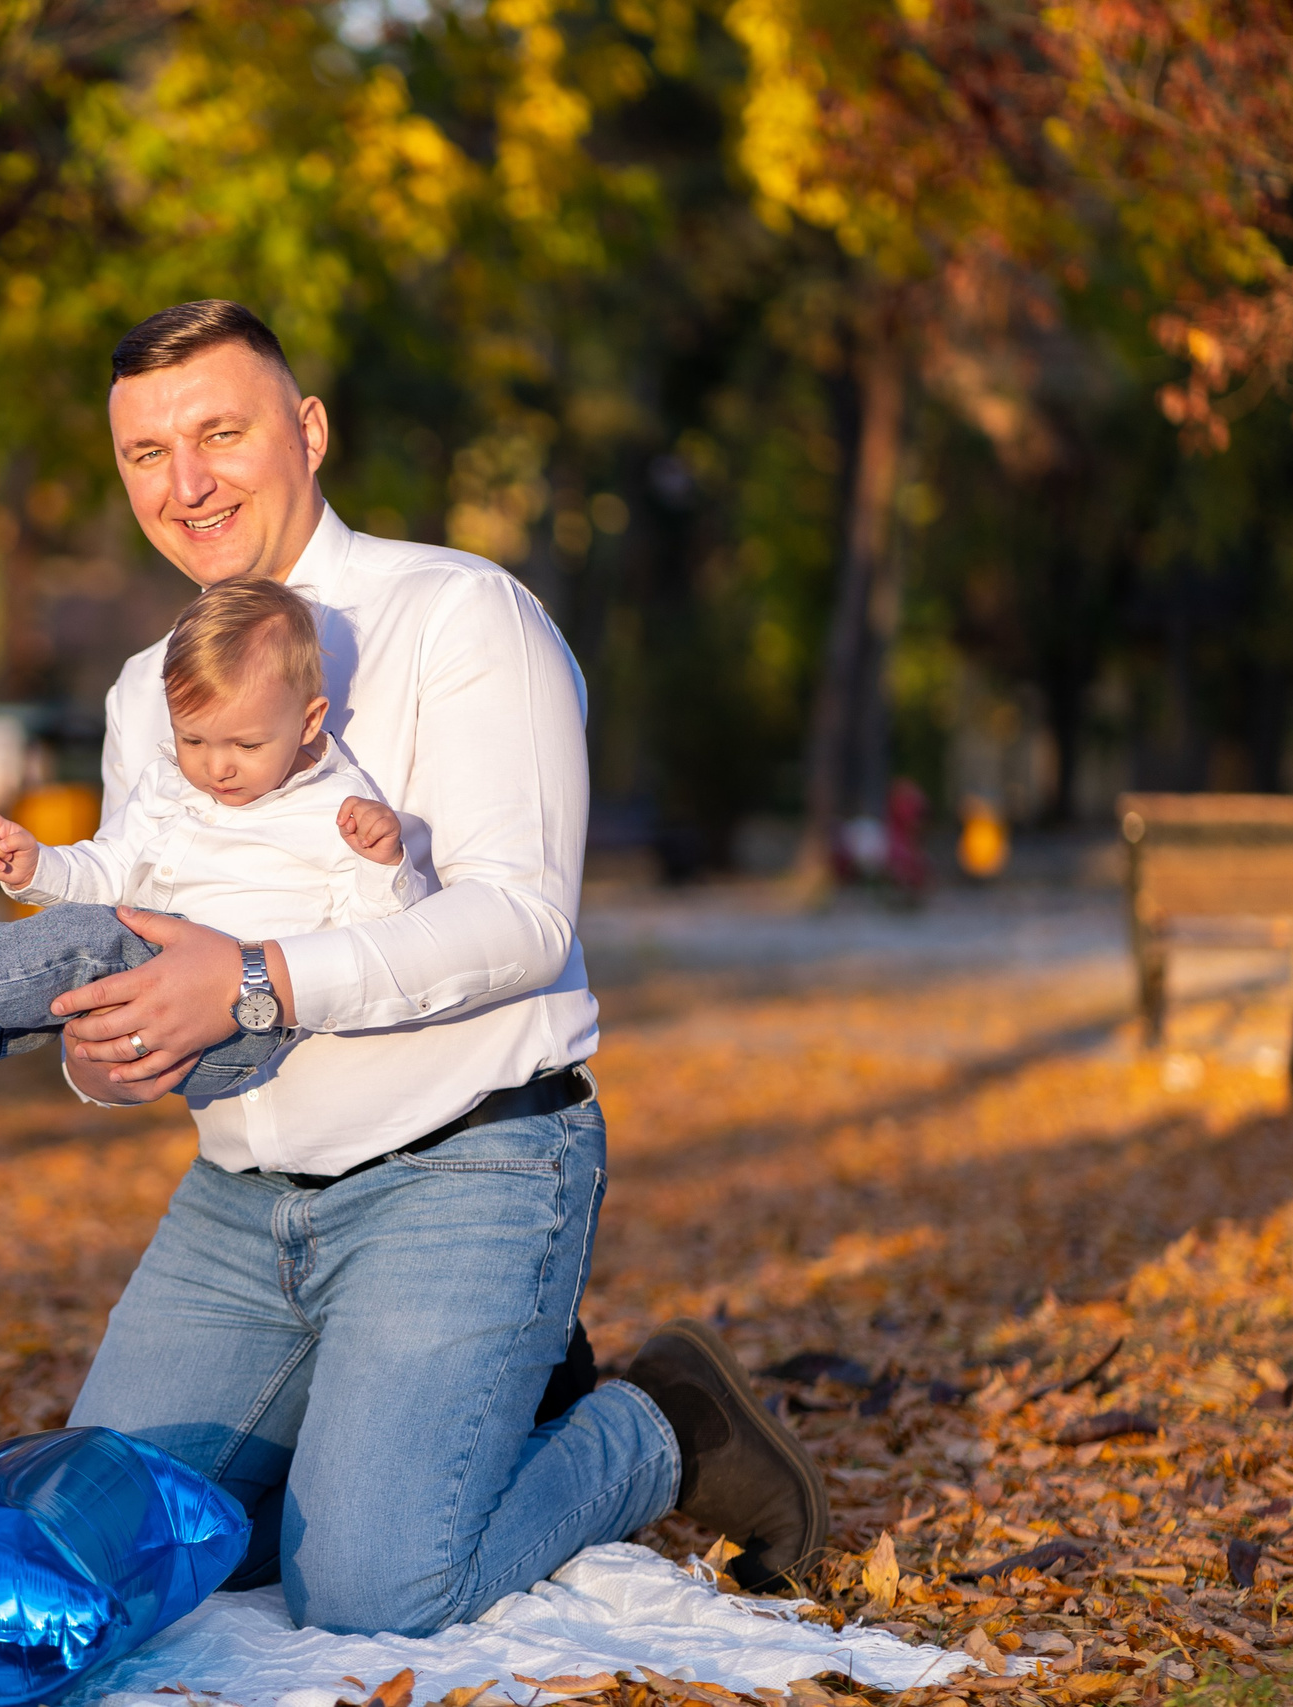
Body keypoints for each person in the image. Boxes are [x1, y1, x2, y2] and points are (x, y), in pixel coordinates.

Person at [46, 301, 830, 1634]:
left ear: (308, 432)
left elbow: (519, 920)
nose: (184, 483)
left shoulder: (461, 616)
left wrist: (256, 981)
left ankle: (654, 1424)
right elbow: (150, 941)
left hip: (467, 1167)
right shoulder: (144, 692)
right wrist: (104, 1053)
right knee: (91, 1550)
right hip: (241, 1205)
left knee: (371, 1586)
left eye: (220, 434)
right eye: (144, 453)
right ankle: (419, 1427)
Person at [0, 575, 428, 1099]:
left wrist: (379, 863)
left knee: (93, 936)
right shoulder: (166, 784)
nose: (217, 767)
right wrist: (38, 868)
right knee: (43, 964)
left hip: (240, 1022)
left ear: (309, 722)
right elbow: (110, 867)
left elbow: (372, 939)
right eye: (192, 739)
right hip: (138, 992)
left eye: (246, 746)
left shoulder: (338, 808)